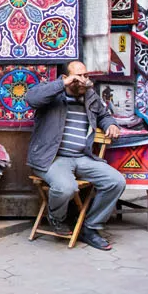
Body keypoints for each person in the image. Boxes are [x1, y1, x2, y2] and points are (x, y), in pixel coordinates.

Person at [25, 61, 125, 251]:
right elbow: (31, 99)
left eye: (86, 76)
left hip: (82, 157)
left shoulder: (90, 97)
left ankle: (90, 227)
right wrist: (63, 84)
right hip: (52, 158)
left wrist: (110, 125)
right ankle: (56, 217)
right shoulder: (52, 94)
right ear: (66, 78)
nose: (83, 81)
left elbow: (104, 115)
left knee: (116, 181)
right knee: (65, 188)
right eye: (78, 77)